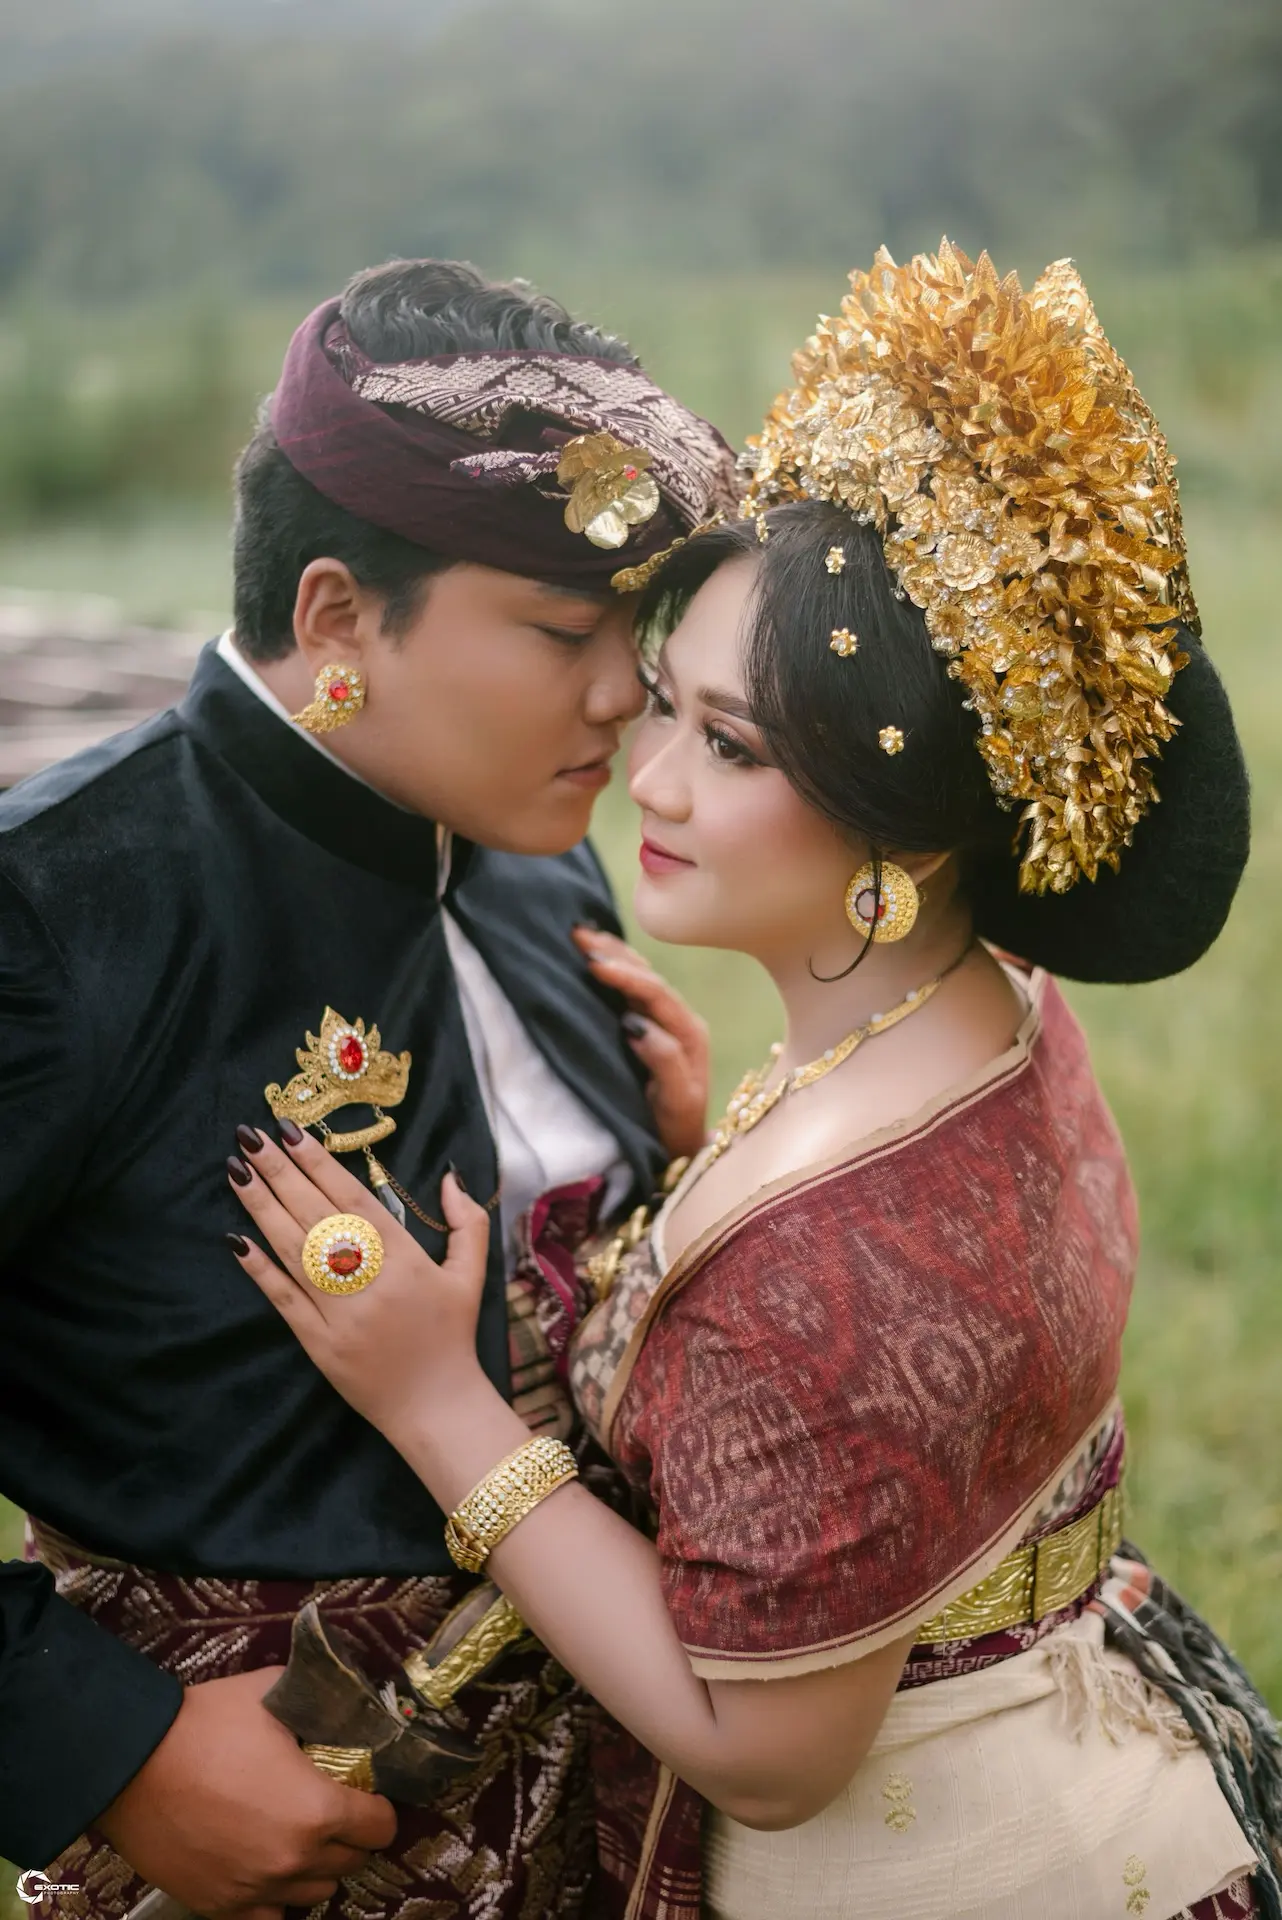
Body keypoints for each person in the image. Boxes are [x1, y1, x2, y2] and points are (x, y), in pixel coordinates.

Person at [229, 243, 1282, 1920]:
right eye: (663, 703)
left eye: (728, 746)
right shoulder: (1001, 1011)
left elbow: (767, 1755)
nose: (643, 775)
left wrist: (440, 1407)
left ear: (906, 832)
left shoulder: (815, 1252)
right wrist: (707, 1155)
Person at [0, 257, 734, 1918]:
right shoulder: (57, 914)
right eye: (563, 632)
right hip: (271, 1846)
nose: (623, 696)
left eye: (633, 633)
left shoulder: (541, 862)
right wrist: (104, 1748)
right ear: (336, 617)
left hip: (638, 1811)